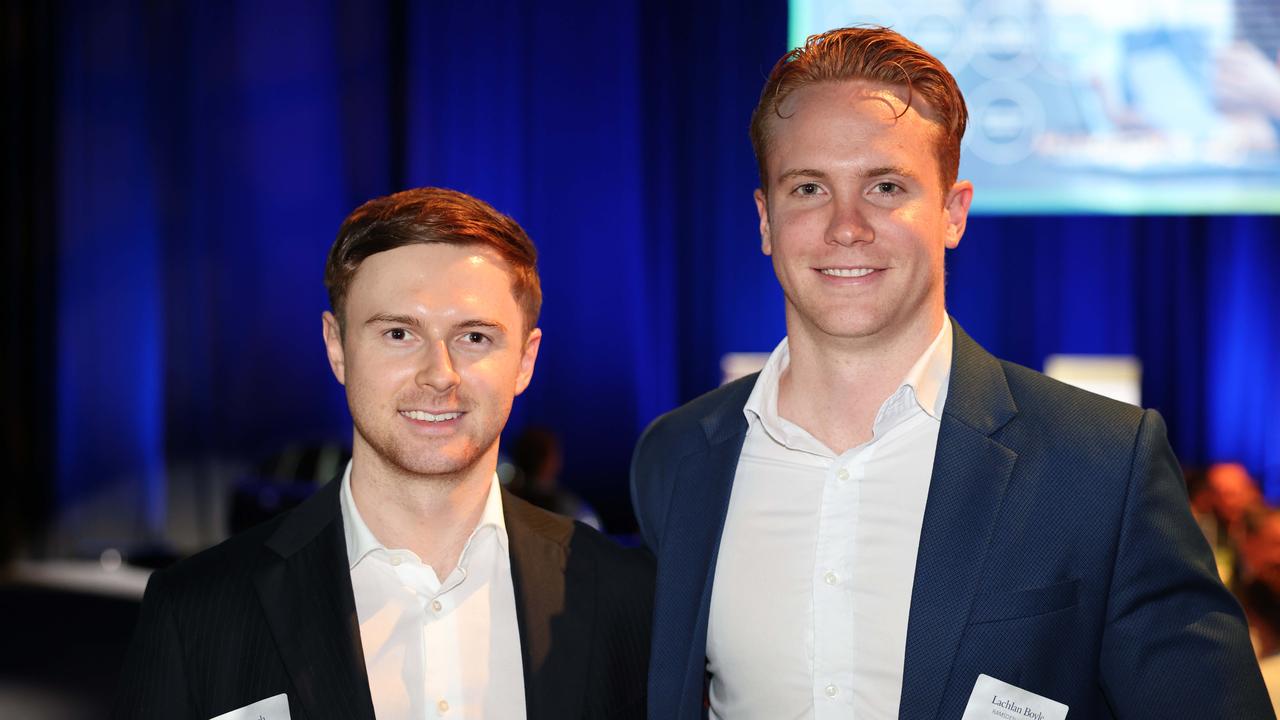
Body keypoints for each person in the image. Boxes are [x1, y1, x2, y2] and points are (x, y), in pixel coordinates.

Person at [630, 26, 1270, 719]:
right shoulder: (678, 459)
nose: (847, 225)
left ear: (953, 213)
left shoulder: (1102, 466)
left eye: (885, 186)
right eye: (809, 187)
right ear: (764, 220)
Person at [115, 188, 654, 720]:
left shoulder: (625, 598)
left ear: (525, 360)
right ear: (337, 348)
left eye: (474, 338)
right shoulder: (198, 611)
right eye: (399, 332)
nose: (439, 374)